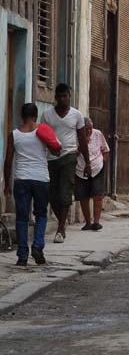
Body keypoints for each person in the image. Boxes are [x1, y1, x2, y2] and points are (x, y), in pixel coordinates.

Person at [3, 103, 61, 265]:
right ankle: (37, 247)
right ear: (36, 116)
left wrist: (7, 184)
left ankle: (22, 255)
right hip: (41, 179)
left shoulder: (14, 135)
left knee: (21, 218)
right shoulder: (43, 132)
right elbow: (57, 151)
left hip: (21, 179)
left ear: (22, 116)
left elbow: (8, 162)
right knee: (41, 214)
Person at [41, 83, 90, 242]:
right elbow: (42, 136)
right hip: (51, 158)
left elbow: (82, 140)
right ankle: (62, 221)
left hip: (69, 156)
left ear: (69, 96)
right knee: (52, 195)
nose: (63, 99)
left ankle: (60, 229)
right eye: (60, 96)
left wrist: (87, 163)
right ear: (55, 98)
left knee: (65, 192)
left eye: (65, 96)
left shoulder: (76, 115)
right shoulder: (47, 115)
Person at [75, 117, 110, 231]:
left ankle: (96, 221)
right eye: (86, 129)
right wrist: (82, 144)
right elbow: (74, 153)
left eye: (90, 128)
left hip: (97, 167)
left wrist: (103, 161)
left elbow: (105, 150)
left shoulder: (97, 134)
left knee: (98, 194)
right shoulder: (76, 136)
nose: (89, 131)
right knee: (83, 196)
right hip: (80, 169)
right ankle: (88, 222)